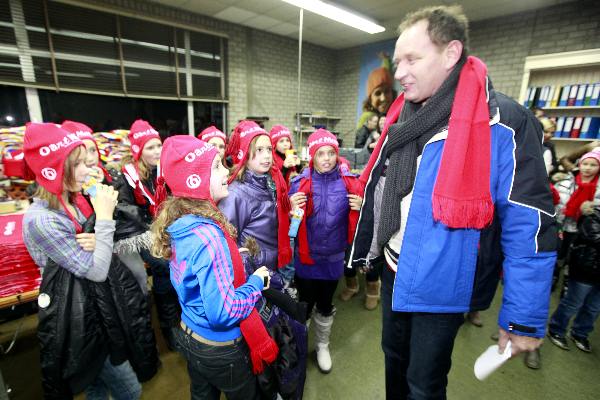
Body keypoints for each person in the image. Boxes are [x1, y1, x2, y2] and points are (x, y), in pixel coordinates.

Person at [347, 6, 556, 399]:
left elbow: (529, 222)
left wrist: (524, 317)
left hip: (442, 283)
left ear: (450, 53)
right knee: (393, 358)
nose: (400, 72)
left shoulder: (503, 121)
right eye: (397, 61)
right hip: (394, 266)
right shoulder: (401, 116)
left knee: (424, 384)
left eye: (412, 59)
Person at [22, 123, 156, 399]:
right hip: (80, 314)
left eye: (86, 161)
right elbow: (95, 269)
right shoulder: (43, 219)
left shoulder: (72, 199)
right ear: (55, 170)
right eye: (77, 164)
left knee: (97, 384)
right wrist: (104, 220)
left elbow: (97, 250)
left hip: (97, 305)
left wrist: (99, 238)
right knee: (129, 389)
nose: (87, 169)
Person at [151, 135, 276, 399]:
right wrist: (254, 284)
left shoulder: (182, 220)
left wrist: (229, 256)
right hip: (219, 348)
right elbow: (224, 311)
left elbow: (195, 274)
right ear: (194, 181)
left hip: (190, 335)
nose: (227, 170)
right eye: (218, 166)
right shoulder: (209, 237)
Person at [288, 129, 364, 373]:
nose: (327, 158)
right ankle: (300, 346)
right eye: (321, 153)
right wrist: (290, 206)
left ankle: (322, 345)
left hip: (332, 258)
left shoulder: (349, 182)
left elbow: (359, 221)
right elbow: (288, 222)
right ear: (312, 156)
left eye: (331, 153)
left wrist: (361, 207)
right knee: (304, 304)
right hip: (306, 258)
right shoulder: (300, 183)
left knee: (324, 303)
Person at [115, 119, 180, 350]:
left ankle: (179, 323)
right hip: (142, 235)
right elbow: (127, 215)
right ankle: (170, 328)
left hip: (166, 230)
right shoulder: (126, 177)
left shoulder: (164, 171)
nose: (156, 151)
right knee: (165, 267)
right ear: (138, 151)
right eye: (150, 147)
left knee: (178, 270)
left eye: (158, 146)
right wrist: (154, 234)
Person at [548, 200, 600, 353]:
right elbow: (594, 237)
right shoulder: (593, 215)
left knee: (593, 308)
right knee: (573, 303)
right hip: (586, 269)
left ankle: (580, 333)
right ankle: (556, 328)